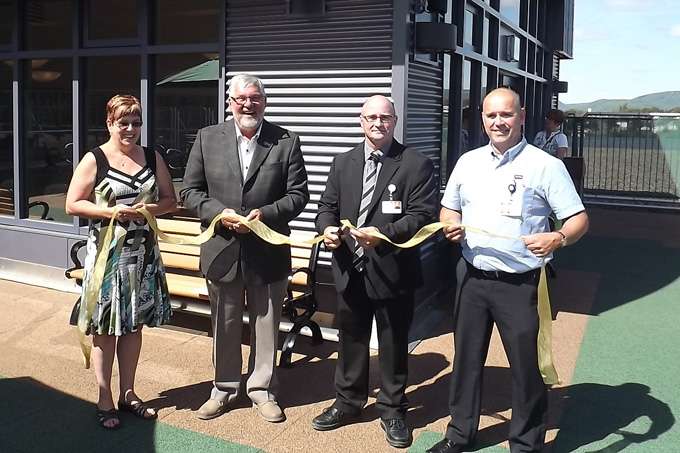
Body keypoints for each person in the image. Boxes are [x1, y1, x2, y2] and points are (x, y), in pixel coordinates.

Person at [426, 88, 589, 453]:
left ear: (521, 116)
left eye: (506, 114)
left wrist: (558, 238)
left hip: (522, 284)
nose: (498, 122)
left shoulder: (545, 165)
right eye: (490, 115)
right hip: (471, 276)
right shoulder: (467, 162)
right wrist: (451, 224)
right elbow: (448, 209)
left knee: (526, 368)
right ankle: (460, 434)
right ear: (482, 118)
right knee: (466, 360)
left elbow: (578, 218)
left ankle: (526, 444)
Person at [180, 73, 309, 423]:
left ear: (264, 101)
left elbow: (299, 196)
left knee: (267, 323)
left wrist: (263, 214)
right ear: (229, 103)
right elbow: (189, 192)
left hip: (267, 249)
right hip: (222, 249)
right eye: (241, 99)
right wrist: (218, 214)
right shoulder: (208, 138)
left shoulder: (286, 141)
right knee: (225, 323)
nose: (248, 104)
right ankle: (223, 388)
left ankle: (263, 390)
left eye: (255, 98)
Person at [312, 95, 437, 448]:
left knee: (394, 343)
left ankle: (394, 408)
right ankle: (348, 402)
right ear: (360, 120)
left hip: (393, 270)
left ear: (395, 121)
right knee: (350, 340)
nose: (377, 123)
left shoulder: (415, 164)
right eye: (371, 117)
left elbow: (421, 215)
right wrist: (327, 230)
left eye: (385, 117)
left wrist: (382, 236)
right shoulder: (343, 162)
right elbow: (327, 207)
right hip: (349, 268)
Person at [65, 94, 177, 429]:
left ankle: (128, 393)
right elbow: (72, 204)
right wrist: (109, 212)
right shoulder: (94, 159)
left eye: (136, 122)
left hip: (142, 258)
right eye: (123, 122)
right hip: (107, 260)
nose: (130, 129)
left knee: (134, 326)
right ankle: (105, 398)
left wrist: (146, 210)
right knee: (106, 330)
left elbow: (171, 200)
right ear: (110, 123)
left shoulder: (152, 156)